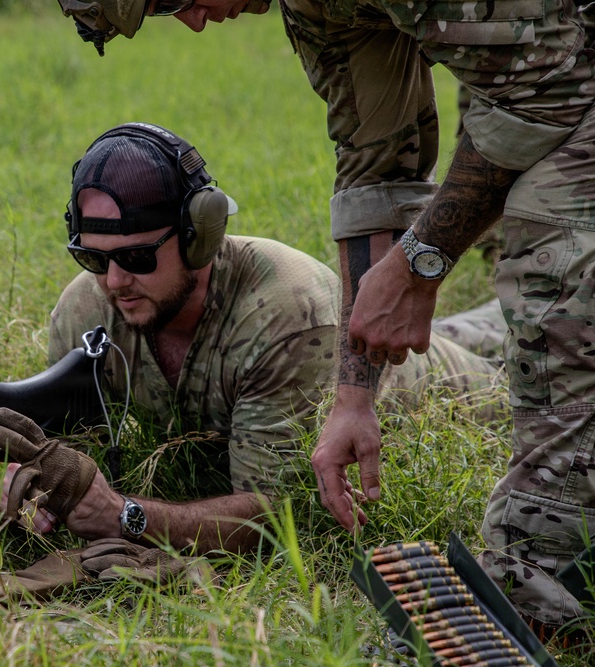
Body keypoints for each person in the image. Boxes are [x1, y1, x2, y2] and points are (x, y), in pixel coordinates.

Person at [53, 0, 595, 636]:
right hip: (542, 90)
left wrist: (420, 260)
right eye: (95, 260)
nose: (195, 23)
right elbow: (377, 164)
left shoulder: (283, 310)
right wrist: (354, 395)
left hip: (561, 80)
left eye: (175, 0)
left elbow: (549, 86)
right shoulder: (319, 15)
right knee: (487, 330)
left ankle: (541, 587)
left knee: (551, 287)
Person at [0, 121, 504, 556]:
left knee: (524, 345)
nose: (114, 281)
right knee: (478, 324)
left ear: (199, 236)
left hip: (443, 382)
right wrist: (41, 489)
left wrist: (124, 515)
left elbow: (277, 516)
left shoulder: (287, 313)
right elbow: (72, 456)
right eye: (93, 258)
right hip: (367, 351)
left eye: (137, 257)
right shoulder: (84, 311)